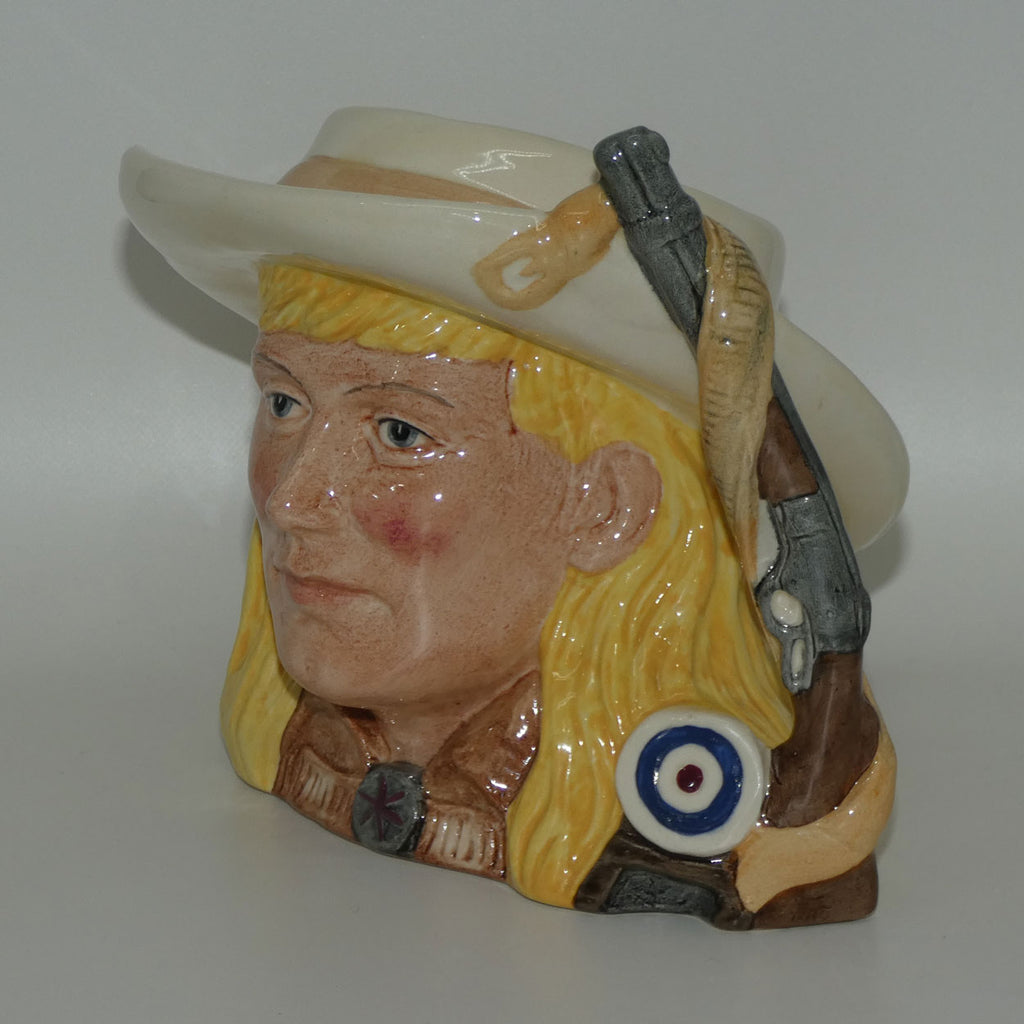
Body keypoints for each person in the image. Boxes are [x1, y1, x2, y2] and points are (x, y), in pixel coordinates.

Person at [120, 108, 905, 928]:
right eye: (284, 402)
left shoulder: (683, 827)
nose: (290, 499)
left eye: (400, 433)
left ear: (604, 507)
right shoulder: (304, 753)